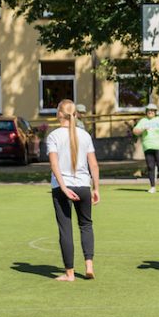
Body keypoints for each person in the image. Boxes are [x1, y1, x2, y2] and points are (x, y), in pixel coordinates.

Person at [47, 99, 101, 282]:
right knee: (86, 225)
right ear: (75, 114)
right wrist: (96, 188)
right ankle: (89, 266)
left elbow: (54, 164)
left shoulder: (53, 136)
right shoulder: (85, 135)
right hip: (84, 185)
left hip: (63, 187)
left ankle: (70, 273)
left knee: (66, 229)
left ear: (59, 114)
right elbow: (93, 164)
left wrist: (63, 187)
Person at [132, 103, 159, 194]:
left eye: (152, 111)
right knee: (150, 167)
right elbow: (135, 131)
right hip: (148, 147)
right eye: (149, 110)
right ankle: (152, 187)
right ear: (146, 112)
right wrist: (142, 129)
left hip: (158, 147)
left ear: (155, 112)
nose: (150, 112)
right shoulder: (143, 121)